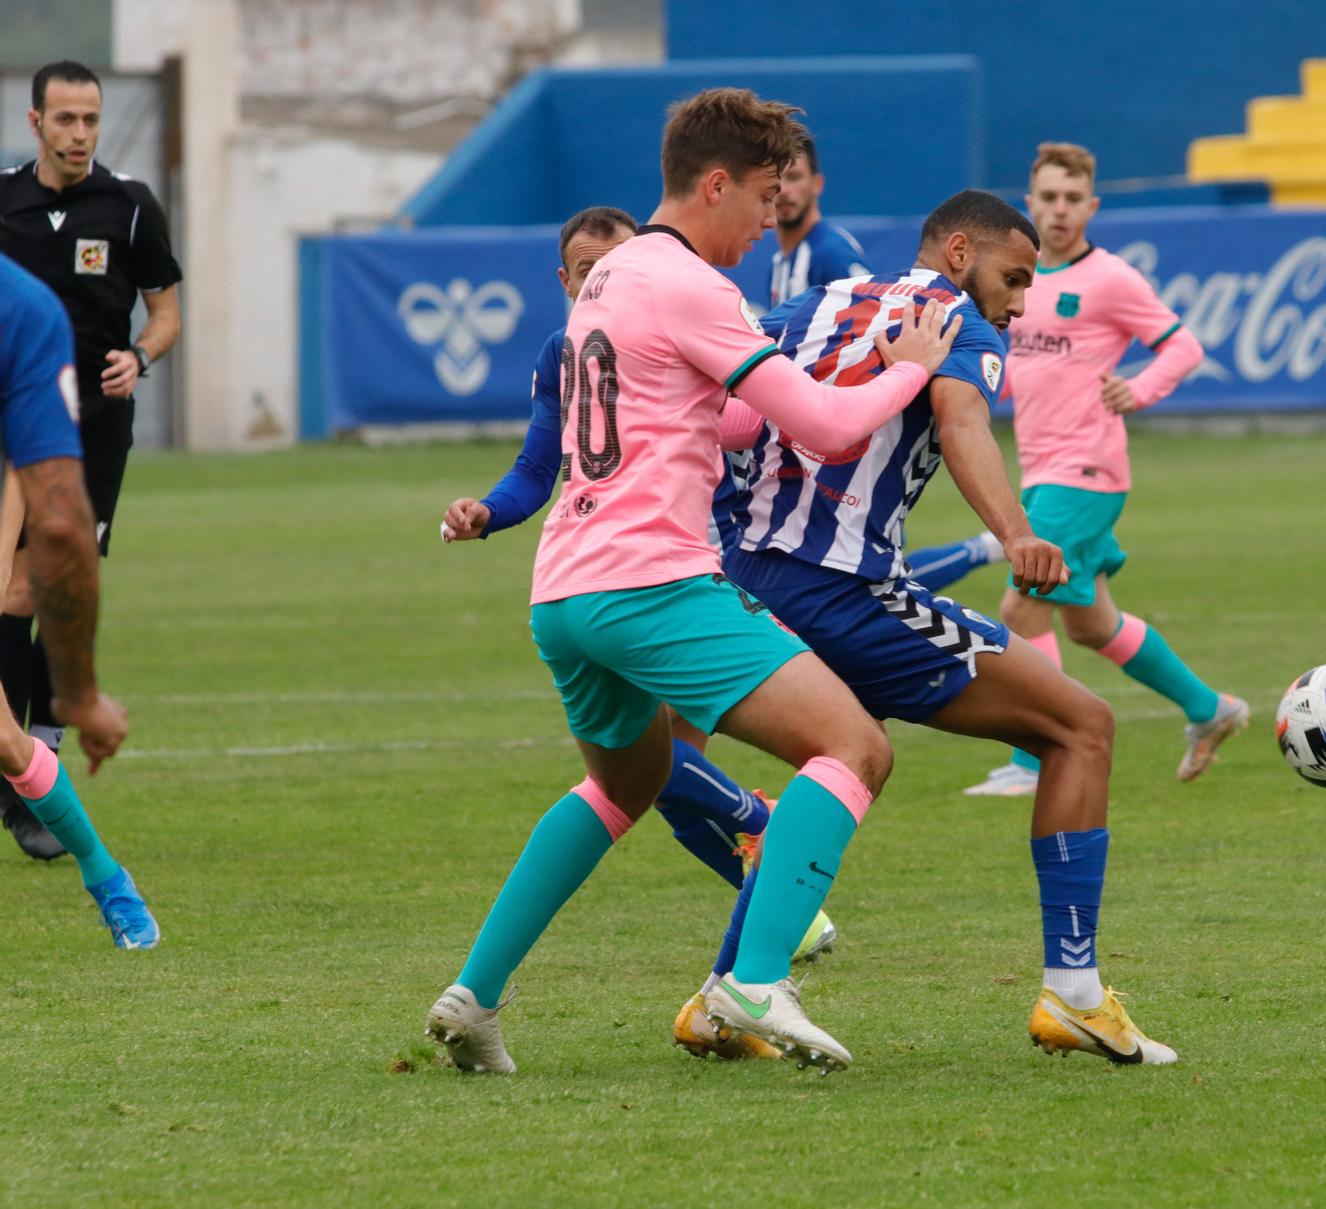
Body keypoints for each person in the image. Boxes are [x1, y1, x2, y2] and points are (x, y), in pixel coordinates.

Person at [422, 88, 961, 1075]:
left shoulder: (612, 276)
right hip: (651, 585)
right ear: (714, 184)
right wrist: (907, 368)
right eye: (761, 196)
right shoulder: (691, 286)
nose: (767, 221)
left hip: (564, 594)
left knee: (620, 784)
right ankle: (752, 981)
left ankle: (474, 995)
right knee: (852, 747)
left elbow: (732, 422)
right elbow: (831, 430)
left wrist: (758, 385)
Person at [696, 188, 1178, 1067]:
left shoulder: (817, 302)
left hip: (742, 577)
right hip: (843, 588)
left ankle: (725, 996)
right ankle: (1073, 994)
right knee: (1082, 727)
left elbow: (722, 406)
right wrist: (1016, 532)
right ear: (959, 252)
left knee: (832, 762)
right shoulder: (954, 317)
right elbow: (962, 424)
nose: (1020, 301)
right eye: (1014, 276)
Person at [438, 205, 837, 1003]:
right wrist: (488, 510)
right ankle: (758, 870)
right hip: (655, 574)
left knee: (642, 778)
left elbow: (739, 423)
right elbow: (535, 466)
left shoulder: (664, 313)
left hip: (685, 560)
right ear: (567, 280)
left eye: (613, 263)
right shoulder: (566, 352)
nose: (603, 280)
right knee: (833, 747)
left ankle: (753, 940)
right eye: (585, 271)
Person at [917, 143, 1237, 799]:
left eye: (1072, 199)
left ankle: (1033, 762)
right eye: (1049, 198)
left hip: (1086, 469)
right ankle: (1211, 709)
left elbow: (1184, 345)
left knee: (1020, 598)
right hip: (1042, 470)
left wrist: (1140, 390)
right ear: (1029, 204)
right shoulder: (1014, 280)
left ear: (1090, 206)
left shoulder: (1110, 279)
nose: (1060, 211)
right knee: (1091, 624)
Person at [0, 60, 180, 860]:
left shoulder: (131, 205)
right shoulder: (3, 200)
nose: (79, 134)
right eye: (65, 119)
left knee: (52, 579)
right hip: (13, 426)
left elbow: (167, 310)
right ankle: (21, 772)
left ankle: (37, 752)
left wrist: (138, 357)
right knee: (11, 587)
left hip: (94, 429)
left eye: (91, 120)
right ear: (35, 121)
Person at [0, 249, 149, 945]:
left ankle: (105, 874)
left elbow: (42, 513)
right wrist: (79, 694)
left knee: (7, 739)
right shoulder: (25, 306)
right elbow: (60, 521)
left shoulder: (19, 308)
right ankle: (108, 878)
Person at [767, 132, 868, 308]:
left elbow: (871, 317)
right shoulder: (779, 262)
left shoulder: (831, 254)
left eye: (794, 177)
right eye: (774, 179)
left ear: (817, 184)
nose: (783, 190)